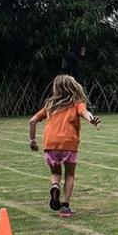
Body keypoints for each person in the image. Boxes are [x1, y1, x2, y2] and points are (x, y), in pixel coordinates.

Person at [28, 75, 101, 218]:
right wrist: (92, 120)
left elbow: (32, 121)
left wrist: (32, 140)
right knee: (69, 174)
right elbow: (85, 113)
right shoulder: (77, 103)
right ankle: (65, 207)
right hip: (69, 144)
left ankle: (55, 187)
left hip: (50, 144)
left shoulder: (50, 105)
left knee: (55, 173)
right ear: (74, 87)